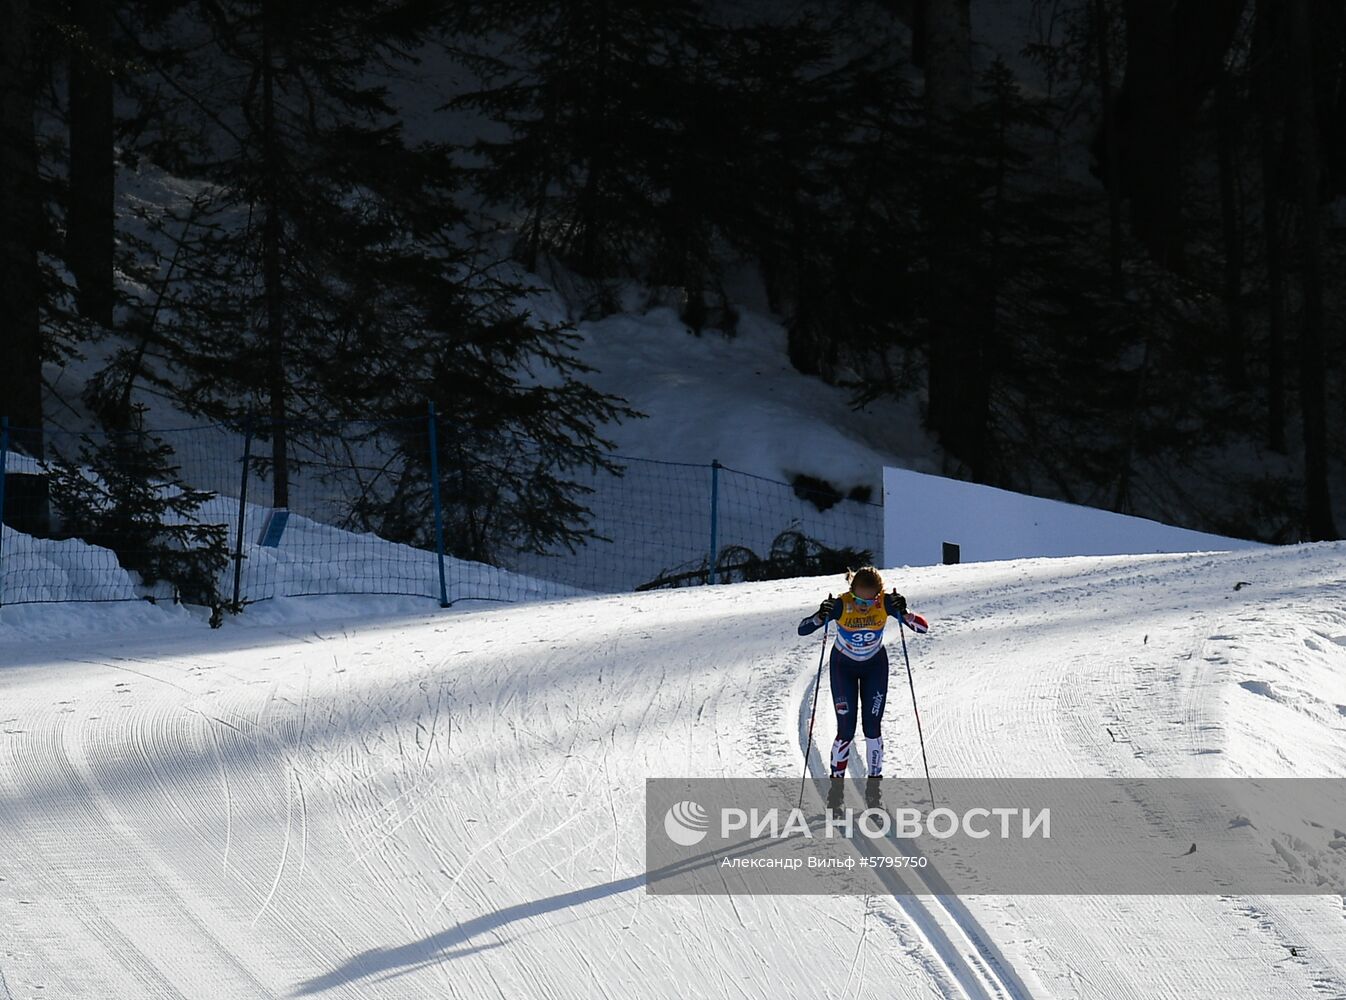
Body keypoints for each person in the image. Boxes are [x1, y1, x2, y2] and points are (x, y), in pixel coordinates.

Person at [798, 566, 927, 811]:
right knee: (846, 730)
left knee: (872, 729)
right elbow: (802, 629)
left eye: (870, 601)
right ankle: (836, 793)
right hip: (843, 667)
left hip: (874, 667)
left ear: (879, 595)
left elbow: (922, 628)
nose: (864, 606)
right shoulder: (841, 605)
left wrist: (905, 612)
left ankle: (874, 791)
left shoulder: (886, 603)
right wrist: (819, 616)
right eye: (858, 600)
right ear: (851, 593)